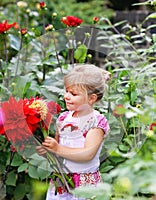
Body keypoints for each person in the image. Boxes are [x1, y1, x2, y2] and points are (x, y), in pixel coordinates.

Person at [36, 64, 111, 200]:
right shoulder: (64, 118)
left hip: (84, 184)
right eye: (66, 91)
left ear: (91, 98)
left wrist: (57, 148)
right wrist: (48, 149)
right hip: (61, 180)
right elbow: (58, 146)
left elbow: (88, 154)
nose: (66, 96)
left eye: (74, 94)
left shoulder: (95, 123)